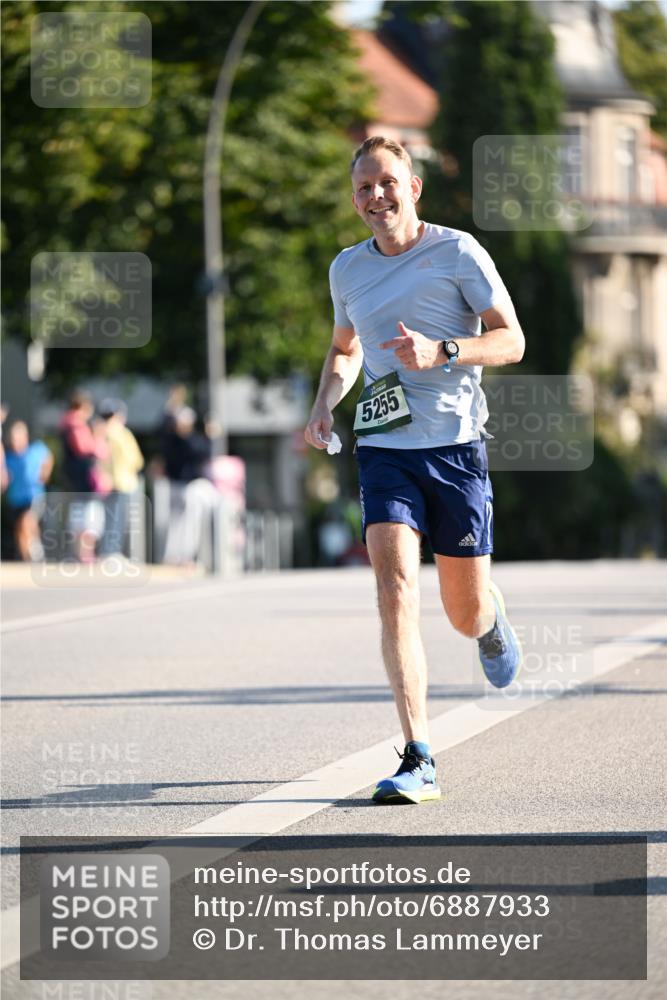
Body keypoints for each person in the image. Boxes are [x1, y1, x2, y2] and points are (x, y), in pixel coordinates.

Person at [305, 136, 525, 805]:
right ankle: (417, 755)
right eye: (364, 188)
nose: (376, 197)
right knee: (394, 583)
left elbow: (511, 339)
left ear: (413, 186)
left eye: (387, 183)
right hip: (384, 447)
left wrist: (444, 350)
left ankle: (486, 620)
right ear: (354, 199)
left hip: (455, 448)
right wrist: (322, 407)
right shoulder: (347, 269)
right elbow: (345, 349)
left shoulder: (456, 252)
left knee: (460, 611)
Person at [98, 399, 144, 557]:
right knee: (117, 519)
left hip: (108, 482)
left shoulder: (101, 432)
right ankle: (111, 552)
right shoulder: (121, 433)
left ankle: (108, 551)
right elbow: (136, 460)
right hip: (123, 482)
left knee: (110, 518)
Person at [3, 421, 53, 561]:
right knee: (20, 530)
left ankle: (37, 552)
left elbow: (48, 457)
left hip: (34, 496)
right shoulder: (8, 456)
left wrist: (45, 473)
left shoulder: (35, 449)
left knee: (26, 522)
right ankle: (28, 559)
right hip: (15, 498)